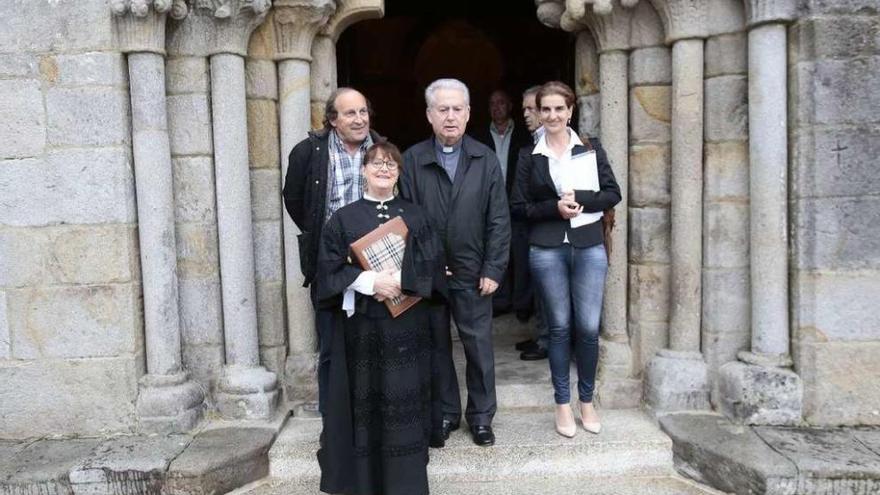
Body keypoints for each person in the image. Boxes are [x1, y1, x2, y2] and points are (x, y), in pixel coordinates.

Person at [315, 142, 447, 495]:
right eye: (376, 163)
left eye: (391, 164)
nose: (384, 169)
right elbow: (325, 274)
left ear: (400, 173)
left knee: (403, 408)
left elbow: (435, 271)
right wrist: (369, 281)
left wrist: (399, 283)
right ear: (363, 170)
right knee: (368, 407)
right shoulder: (343, 219)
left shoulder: (416, 216)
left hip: (407, 330)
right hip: (363, 330)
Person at [400, 78, 511, 448]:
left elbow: (498, 218)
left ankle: (481, 417)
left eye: (457, 109)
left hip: (473, 271)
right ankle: (446, 412)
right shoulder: (413, 159)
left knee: (478, 347)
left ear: (468, 114)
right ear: (429, 115)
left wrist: (493, 268)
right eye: (442, 109)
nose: (450, 117)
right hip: (431, 275)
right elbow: (407, 219)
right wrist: (426, 265)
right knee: (435, 348)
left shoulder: (484, 158)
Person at [511, 81, 621, 438]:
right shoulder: (529, 155)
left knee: (587, 329)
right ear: (539, 113)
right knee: (558, 328)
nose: (553, 115)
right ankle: (562, 404)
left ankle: (585, 401)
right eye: (546, 109)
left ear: (571, 110)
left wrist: (583, 200)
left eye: (560, 108)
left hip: (588, 245)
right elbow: (518, 206)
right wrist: (554, 208)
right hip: (547, 248)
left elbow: (613, 194)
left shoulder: (590, 147)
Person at [282, 87, 383, 414]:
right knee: (331, 347)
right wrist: (323, 238)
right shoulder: (308, 152)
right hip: (329, 264)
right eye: (350, 113)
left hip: (375, 263)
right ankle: (336, 421)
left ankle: (370, 416)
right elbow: (295, 199)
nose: (359, 119)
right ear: (332, 120)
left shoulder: (383, 150)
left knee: (374, 344)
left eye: (363, 112)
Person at [473, 89, 532, 319]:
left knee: (521, 254)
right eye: (492, 104)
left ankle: (523, 306)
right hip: (489, 204)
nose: (496, 107)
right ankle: (499, 301)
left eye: (501, 103)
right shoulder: (477, 136)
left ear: (509, 106)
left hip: (518, 203)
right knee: (495, 251)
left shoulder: (525, 135)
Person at [514, 85, 550, 361]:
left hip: (549, 226)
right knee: (537, 284)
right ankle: (542, 335)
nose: (526, 114)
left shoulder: (551, 143)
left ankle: (548, 340)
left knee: (548, 288)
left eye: (531, 108)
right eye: (525, 108)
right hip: (531, 223)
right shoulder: (530, 145)